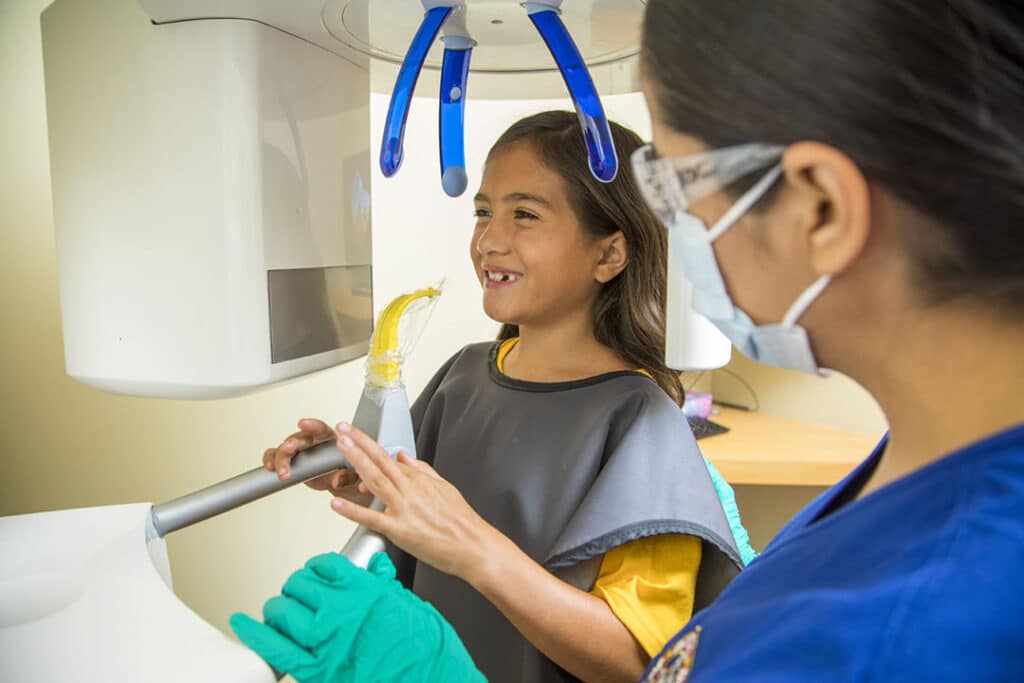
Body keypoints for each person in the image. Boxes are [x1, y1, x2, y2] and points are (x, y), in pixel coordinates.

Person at [237, 0, 1024, 678]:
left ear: (819, 208)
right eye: (484, 211)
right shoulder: (900, 485)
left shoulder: (929, 622)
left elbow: (638, 653)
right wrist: (372, 480)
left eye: (676, 185)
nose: (675, 231)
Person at [233, 111, 750, 683]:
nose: (489, 240)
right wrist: (358, 472)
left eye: (524, 215)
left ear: (609, 254)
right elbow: (441, 502)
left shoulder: (640, 425)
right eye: (483, 212)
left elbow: (638, 662)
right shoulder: (466, 376)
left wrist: (477, 551)